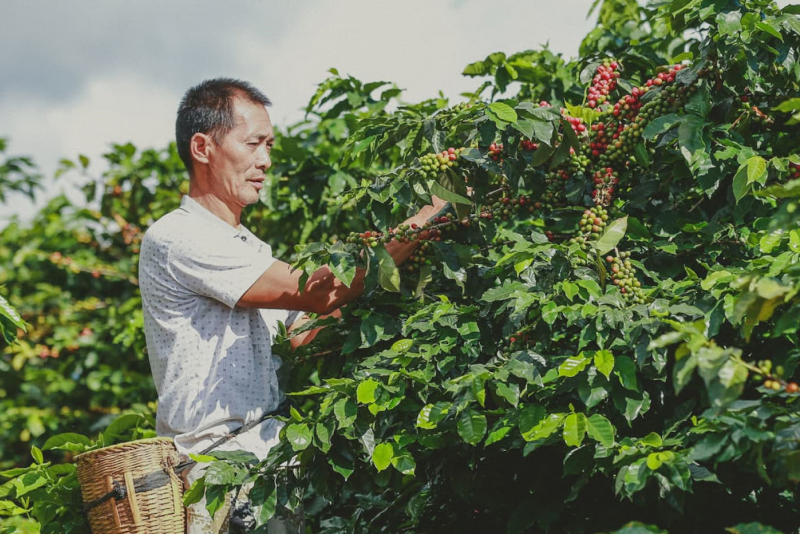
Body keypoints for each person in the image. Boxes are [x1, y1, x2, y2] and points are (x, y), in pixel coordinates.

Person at [138, 78, 447, 533]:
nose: (265, 160)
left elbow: (302, 333)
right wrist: (427, 217)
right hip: (219, 471)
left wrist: (388, 298)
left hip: (270, 464)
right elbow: (321, 289)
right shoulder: (179, 236)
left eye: (269, 145)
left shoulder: (251, 249)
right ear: (202, 147)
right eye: (253, 144)